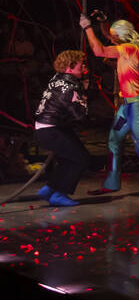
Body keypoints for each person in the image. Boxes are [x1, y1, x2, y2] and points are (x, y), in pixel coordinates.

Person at [80, 15, 139, 198]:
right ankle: (112, 183)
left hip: (137, 106)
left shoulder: (130, 49)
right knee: (114, 140)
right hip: (126, 107)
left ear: (122, 36)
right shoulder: (126, 47)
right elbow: (108, 39)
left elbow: (99, 51)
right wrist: (103, 23)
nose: (112, 38)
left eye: (114, 36)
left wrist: (87, 28)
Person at [31, 49, 92, 207]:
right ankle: (58, 194)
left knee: (69, 159)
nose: (84, 66)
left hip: (47, 128)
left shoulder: (57, 79)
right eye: (81, 64)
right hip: (50, 130)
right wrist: (84, 93)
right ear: (70, 68)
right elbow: (80, 115)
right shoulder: (69, 87)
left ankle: (50, 189)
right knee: (80, 158)